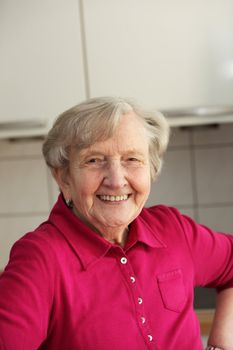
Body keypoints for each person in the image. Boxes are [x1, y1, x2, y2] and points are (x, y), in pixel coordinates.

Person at [0, 96, 233, 350]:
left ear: (151, 169)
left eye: (132, 159)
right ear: (63, 177)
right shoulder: (40, 258)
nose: (116, 180)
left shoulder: (173, 229)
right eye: (94, 160)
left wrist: (220, 345)